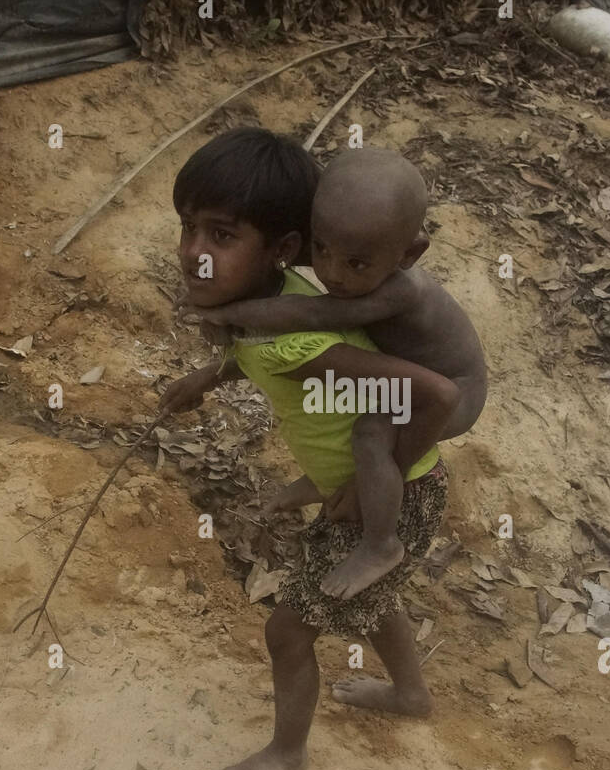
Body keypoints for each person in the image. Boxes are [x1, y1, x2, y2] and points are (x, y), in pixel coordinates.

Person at [160, 128, 457, 770]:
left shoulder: (301, 340)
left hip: (394, 493)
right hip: (389, 486)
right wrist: (208, 377)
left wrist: (365, 483)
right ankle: (410, 693)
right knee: (368, 596)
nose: (194, 255)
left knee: (287, 630)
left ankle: (286, 756)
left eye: (221, 236)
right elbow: (256, 347)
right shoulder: (279, 303)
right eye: (188, 229)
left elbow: (436, 394)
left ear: (283, 250)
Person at [193, 148, 488, 600]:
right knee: (350, 414)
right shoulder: (356, 254)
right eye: (321, 249)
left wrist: (227, 311)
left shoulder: (398, 291)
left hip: (455, 394)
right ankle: (343, 479)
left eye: (355, 263)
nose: (331, 272)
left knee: (372, 433)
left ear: (410, 254)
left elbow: (311, 313)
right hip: (410, 380)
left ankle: (379, 543)